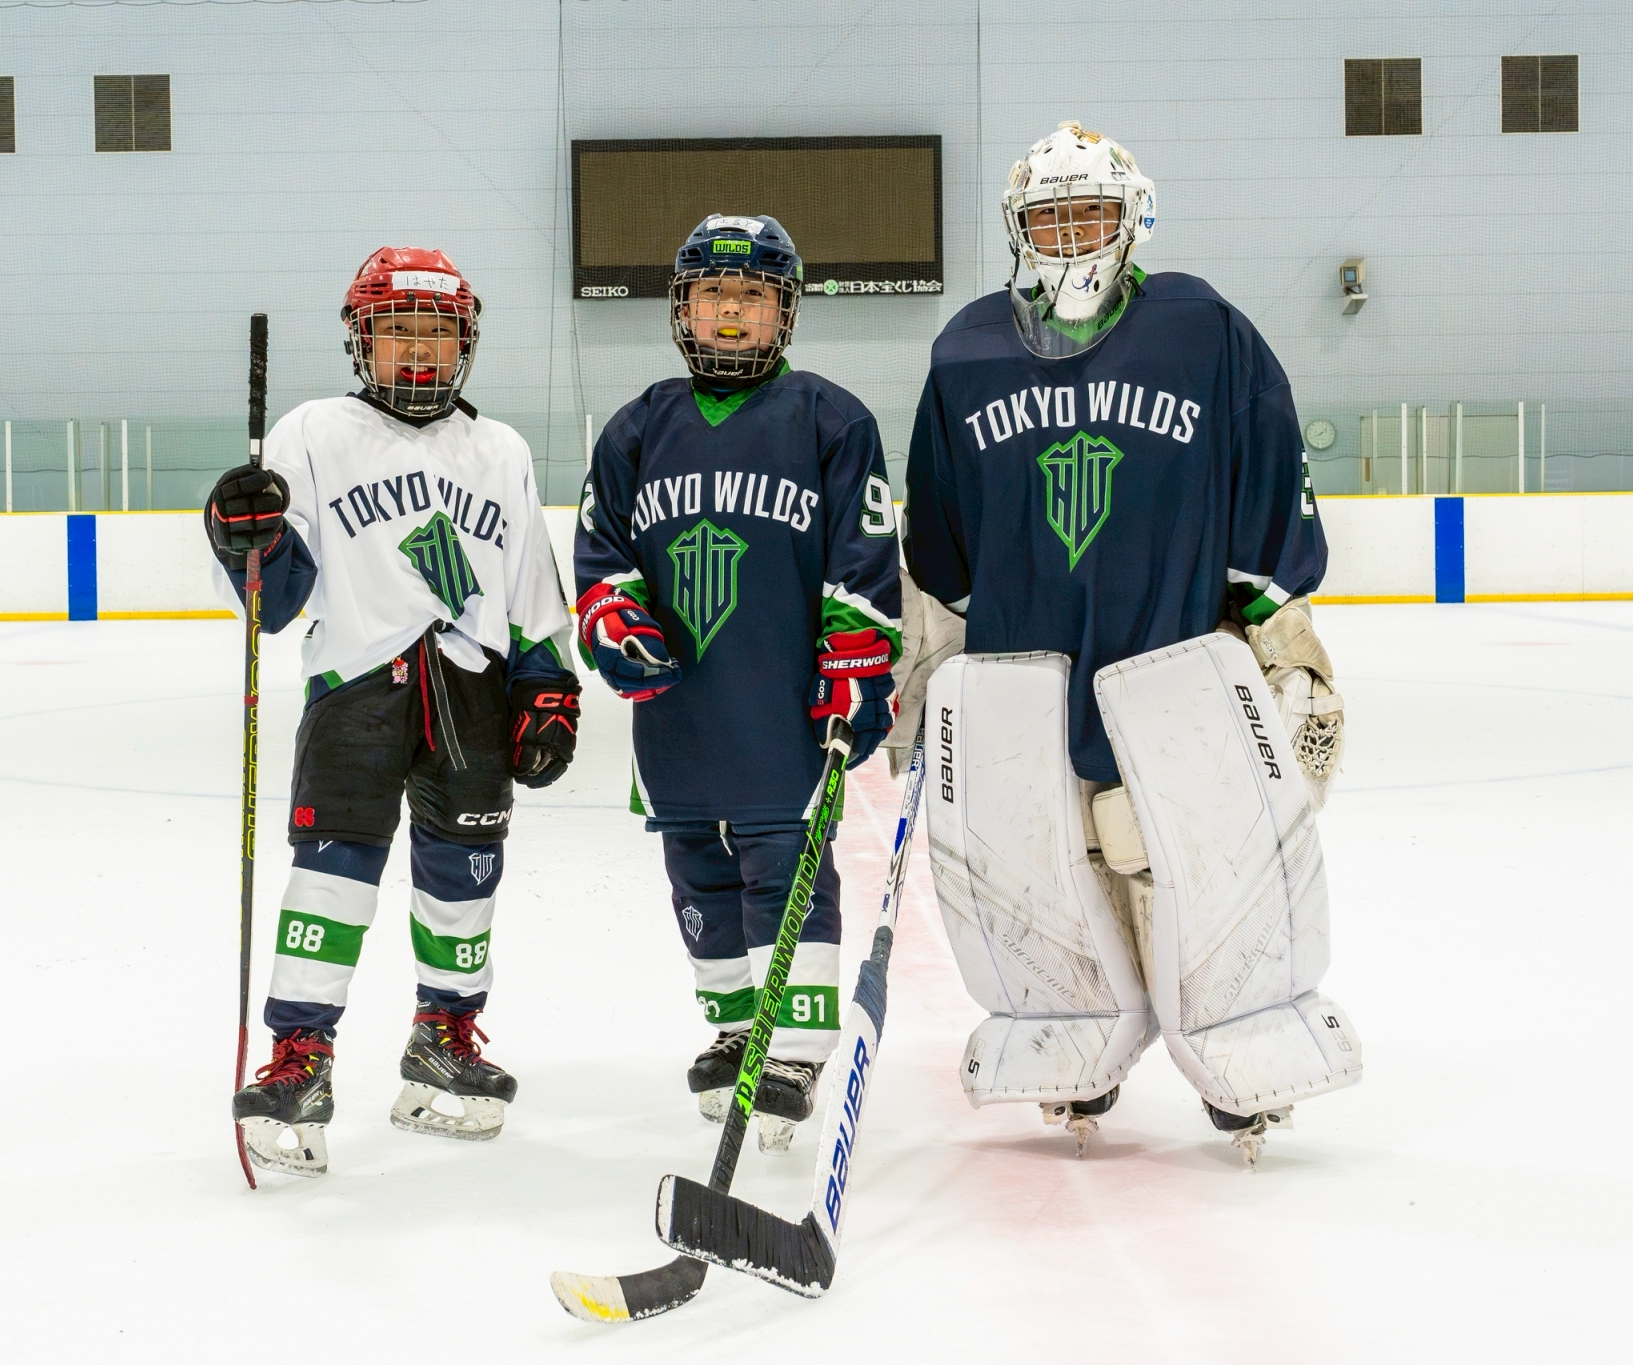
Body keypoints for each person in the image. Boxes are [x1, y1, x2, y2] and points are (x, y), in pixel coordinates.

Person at [903, 123, 1357, 1164]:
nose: (1070, 237)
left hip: (1171, 660)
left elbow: (1264, 473)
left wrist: (1274, 628)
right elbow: (942, 537)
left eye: (1090, 213)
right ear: (1019, 228)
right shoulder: (965, 351)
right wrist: (944, 657)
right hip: (1031, 667)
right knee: (1051, 866)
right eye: (1049, 217)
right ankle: (1074, 1042)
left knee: (1189, 859)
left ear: (1132, 217)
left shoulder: (1203, 329)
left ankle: (1240, 1044)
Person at [205, 247, 580, 1176]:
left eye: (437, 332)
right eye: (397, 330)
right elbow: (275, 598)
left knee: (465, 877)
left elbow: (531, 583)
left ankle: (443, 1035)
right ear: (360, 340)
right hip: (355, 684)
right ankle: (301, 1054)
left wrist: (549, 684)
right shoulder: (312, 432)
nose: (417, 349)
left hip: (472, 687)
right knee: (330, 876)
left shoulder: (500, 450)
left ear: (465, 343)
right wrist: (243, 533)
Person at [572, 214, 903, 1150]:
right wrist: (613, 618)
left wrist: (854, 665)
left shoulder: (833, 420)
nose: (731, 311)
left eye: (752, 295)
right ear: (682, 307)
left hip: (782, 710)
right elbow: (600, 554)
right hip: (677, 712)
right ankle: (732, 1028)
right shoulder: (637, 427)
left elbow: (864, 560)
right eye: (714, 293)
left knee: (787, 866)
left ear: (783, 311)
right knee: (699, 870)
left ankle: (791, 1048)